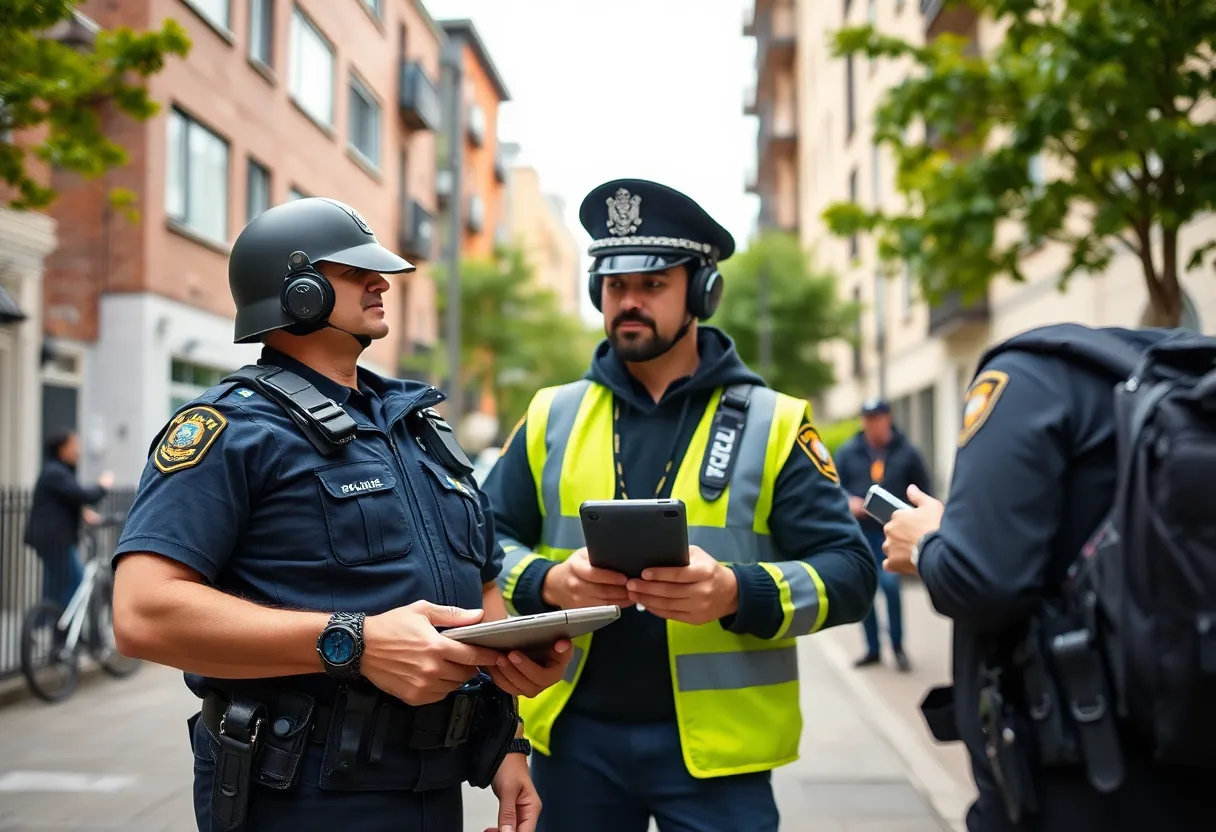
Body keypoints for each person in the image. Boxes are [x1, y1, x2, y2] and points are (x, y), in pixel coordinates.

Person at [110, 197, 573, 832]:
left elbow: (483, 586)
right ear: (296, 290)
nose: (381, 282)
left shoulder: (419, 431)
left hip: (433, 787)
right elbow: (142, 612)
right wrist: (354, 642)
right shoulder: (233, 428)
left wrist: (507, 732)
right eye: (356, 272)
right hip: (301, 793)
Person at [481, 178, 878, 832]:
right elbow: (479, 543)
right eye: (615, 285)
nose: (629, 301)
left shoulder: (776, 422)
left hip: (719, 760)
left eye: (653, 284)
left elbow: (853, 574)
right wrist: (549, 582)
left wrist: (736, 593)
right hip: (573, 745)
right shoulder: (551, 414)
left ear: (703, 291)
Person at [880, 323, 1209, 831]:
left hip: (1077, 772)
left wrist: (925, 545)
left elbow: (980, 582)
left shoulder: (1025, 377)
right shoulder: (1182, 383)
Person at [834, 398, 933, 672]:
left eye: (876, 418)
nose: (872, 424)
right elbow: (833, 486)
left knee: (890, 587)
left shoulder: (907, 452)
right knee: (864, 590)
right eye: (867, 419)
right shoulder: (848, 452)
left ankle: (898, 647)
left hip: (894, 533)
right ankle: (873, 649)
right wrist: (848, 501)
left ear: (887, 419)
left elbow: (923, 489)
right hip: (860, 533)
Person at [25, 428, 114, 608]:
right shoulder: (55, 472)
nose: (78, 451)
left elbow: (64, 499)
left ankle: (50, 620)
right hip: (55, 539)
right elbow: (82, 495)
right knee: (77, 582)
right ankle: (61, 622)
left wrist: (82, 512)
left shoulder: (56, 471)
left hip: (52, 539)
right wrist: (102, 486)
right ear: (62, 448)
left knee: (55, 588)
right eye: (74, 446)